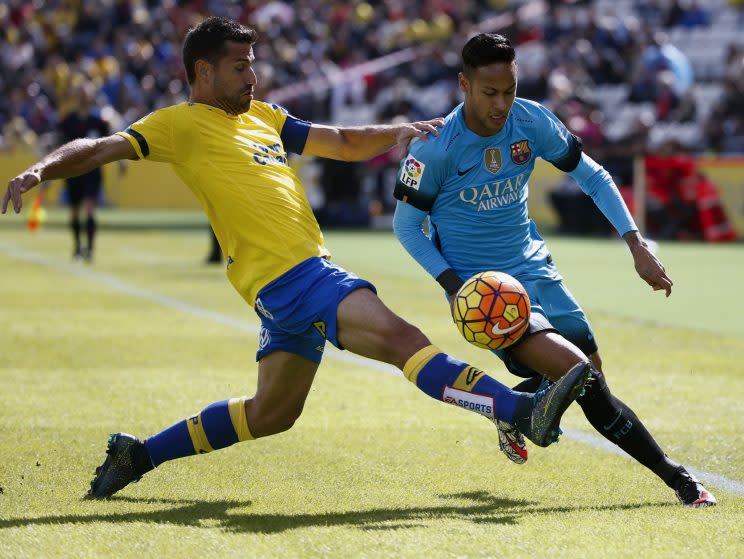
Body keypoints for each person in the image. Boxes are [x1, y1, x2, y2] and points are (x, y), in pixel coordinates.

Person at [1, 18, 592, 500]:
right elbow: (99, 148)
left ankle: (140, 454)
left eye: (253, 64)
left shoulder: (264, 118)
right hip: (297, 275)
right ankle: (516, 407)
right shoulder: (177, 125)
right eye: (240, 66)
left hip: (283, 284)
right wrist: (39, 169)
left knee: (271, 413)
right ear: (202, 72)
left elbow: (337, 141)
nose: (252, 76)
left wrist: (399, 131)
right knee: (402, 339)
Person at [392, 33, 716, 508]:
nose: (502, 103)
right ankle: (680, 480)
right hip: (488, 293)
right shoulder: (436, 148)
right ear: (463, 84)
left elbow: (593, 175)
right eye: (489, 93)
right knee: (579, 374)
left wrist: (636, 243)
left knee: (591, 377)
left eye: (509, 89)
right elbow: (407, 227)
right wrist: (456, 286)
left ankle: (511, 407)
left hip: (535, 269)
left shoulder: (531, 119)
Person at [58, 83, 110, 261]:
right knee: (73, 211)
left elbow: (110, 143)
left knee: (89, 209)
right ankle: (77, 246)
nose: (83, 98)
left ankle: (89, 250)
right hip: (73, 171)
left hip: (92, 171)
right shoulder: (68, 121)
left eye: (85, 95)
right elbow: (60, 146)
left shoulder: (99, 121)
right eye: (80, 95)